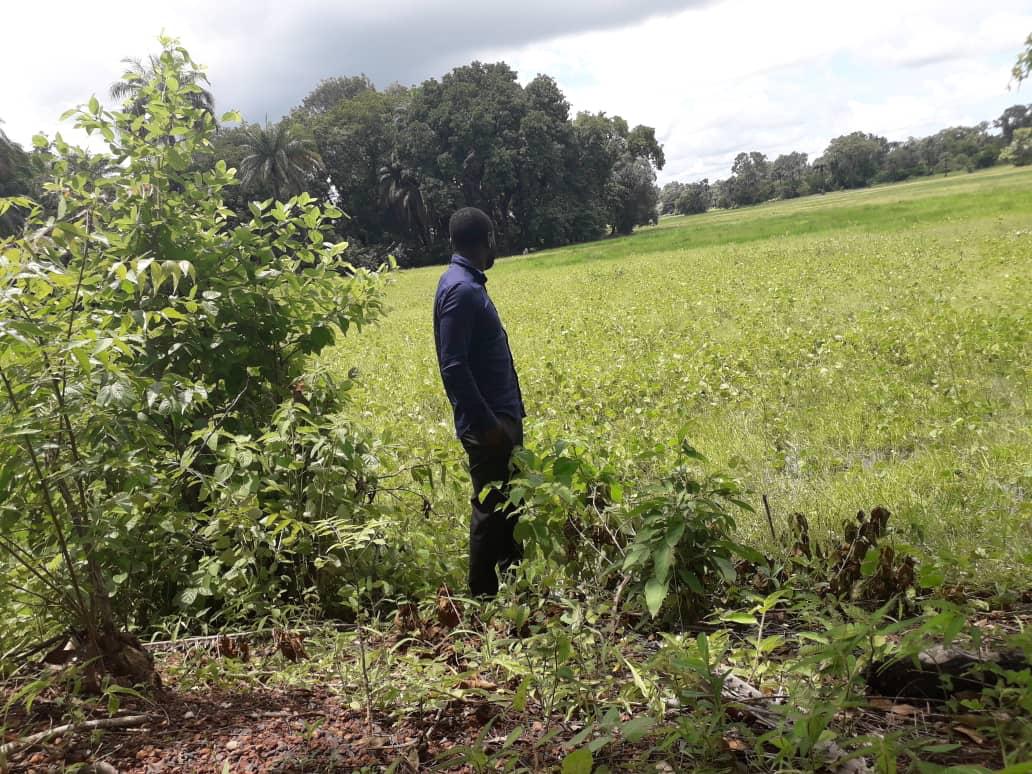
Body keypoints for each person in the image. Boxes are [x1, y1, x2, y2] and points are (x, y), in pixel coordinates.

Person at [433, 207, 526, 598]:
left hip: (498, 418)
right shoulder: (462, 290)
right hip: (489, 425)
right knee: (491, 511)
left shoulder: (463, 283)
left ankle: (517, 593)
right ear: (487, 238)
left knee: (508, 509)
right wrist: (488, 423)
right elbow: (452, 365)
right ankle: (483, 599)